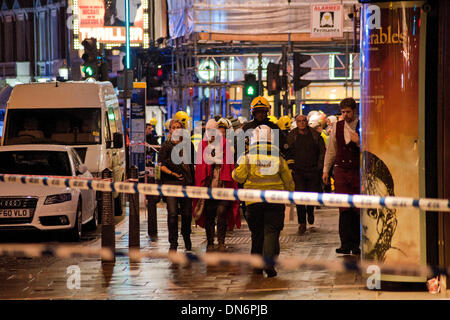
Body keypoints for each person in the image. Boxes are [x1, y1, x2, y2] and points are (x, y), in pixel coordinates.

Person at [232, 125, 294, 278]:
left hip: (253, 203)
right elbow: (288, 180)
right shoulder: (278, 157)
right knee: (271, 232)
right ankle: (269, 265)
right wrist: (291, 196)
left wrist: (235, 170)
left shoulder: (248, 157)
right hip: (275, 201)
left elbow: (238, 177)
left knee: (257, 233)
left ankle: (257, 267)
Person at [193, 118, 240, 252]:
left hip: (223, 185)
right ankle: (210, 242)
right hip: (208, 186)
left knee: (222, 212)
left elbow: (229, 163)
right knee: (209, 214)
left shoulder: (224, 143)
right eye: (208, 130)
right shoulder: (202, 144)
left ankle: (221, 241)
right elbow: (200, 164)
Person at [322, 97, 361, 255]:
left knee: (357, 209)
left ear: (354, 111)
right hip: (341, 172)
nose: (345, 115)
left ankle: (356, 245)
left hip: (357, 171)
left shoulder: (362, 126)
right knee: (344, 209)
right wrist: (326, 169)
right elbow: (331, 150)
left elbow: (372, 148)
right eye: (343, 112)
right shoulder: (337, 127)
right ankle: (345, 244)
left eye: (348, 112)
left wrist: (359, 142)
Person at [158, 119, 195, 252]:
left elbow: (193, 164)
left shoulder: (188, 145)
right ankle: (173, 243)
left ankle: (186, 237)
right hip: (170, 184)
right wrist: (173, 173)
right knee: (172, 214)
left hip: (186, 184)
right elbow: (160, 165)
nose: (176, 129)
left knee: (186, 214)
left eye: (179, 127)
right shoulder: (166, 146)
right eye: (174, 127)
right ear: (170, 130)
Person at [287, 114, 325, 235]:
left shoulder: (315, 135)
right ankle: (302, 223)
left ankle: (310, 211)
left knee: (311, 196)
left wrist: (319, 167)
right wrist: (291, 167)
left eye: (304, 121)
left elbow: (322, 152)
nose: (302, 123)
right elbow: (288, 152)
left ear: (307, 122)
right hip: (298, 172)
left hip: (313, 171)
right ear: (296, 122)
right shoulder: (292, 136)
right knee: (299, 199)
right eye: (299, 121)